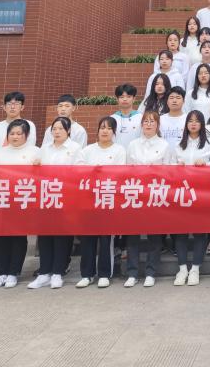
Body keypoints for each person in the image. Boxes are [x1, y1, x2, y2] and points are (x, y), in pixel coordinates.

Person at [27, 116, 81, 289]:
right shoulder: (44, 148)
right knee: (45, 235)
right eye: (54, 129)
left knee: (62, 236)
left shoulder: (75, 148)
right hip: (46, 197)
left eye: (60, 129)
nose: (57, 132)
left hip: (65, 197)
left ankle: (58, 272)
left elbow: (79, 171)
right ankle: (44, 272)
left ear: (68, 131)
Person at [75, 117, 127, 289]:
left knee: (106, 239)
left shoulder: (119, 150)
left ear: (114, 132)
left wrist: (101, 172)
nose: (105, 131)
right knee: (87, 238)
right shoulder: (87, 150)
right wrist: (93, 171)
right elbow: (78, 171)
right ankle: (87, 274)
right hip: (88, 200)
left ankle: (104, 273)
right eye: (102, 128)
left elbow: (120, 173)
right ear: (97, 131)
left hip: (108, 199)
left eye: (109, 128)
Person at [0, 119, 40, 289]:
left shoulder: (35, 152)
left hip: (23, 201)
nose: (15, 136)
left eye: (19, 133)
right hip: (4, 200)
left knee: (18, 237)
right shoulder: (0, 153)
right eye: (12, 133)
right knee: (2, 237)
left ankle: (14, 272)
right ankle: (2, 272)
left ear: (27, 135)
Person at [124, 109, 172, 288]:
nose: (149, 124)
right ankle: (132, 272)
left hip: (155, 195)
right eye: (146, 121)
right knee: (133, 236)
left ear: (158, 125)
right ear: (141, 124)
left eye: (152, 121)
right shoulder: (133, 145)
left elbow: (169, 171)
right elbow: (127, 169)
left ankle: (151, 272)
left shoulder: (165, 145)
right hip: (135, 194)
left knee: (154, 236)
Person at [172, 110, 210, 286]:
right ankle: (182, 269)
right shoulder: (178, 145)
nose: (193, 124)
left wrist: (206, 164)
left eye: (197, 121)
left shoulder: (208, 145)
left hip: (201, 194)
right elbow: (169, 167)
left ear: (202, 124)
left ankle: (195, 268)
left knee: (200, 232)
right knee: (180, 232)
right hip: (181, 193)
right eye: (190, 121)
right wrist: (177, 166)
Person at [0, 91, 38, 159]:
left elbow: (30, 146)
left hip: (21, 162)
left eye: (17, 104)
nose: (12, 107)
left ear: (22, 107)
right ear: (4, 107)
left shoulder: (29, 125)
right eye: (9, 104)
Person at [110, 84, 142, 148]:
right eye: (121, 97)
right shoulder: (112, 118)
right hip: (117, 153)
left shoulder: (141, 117)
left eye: (128, 96)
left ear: (134, 99)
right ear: (117, 99)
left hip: (136, 153)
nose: (125, 99)